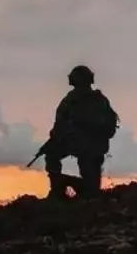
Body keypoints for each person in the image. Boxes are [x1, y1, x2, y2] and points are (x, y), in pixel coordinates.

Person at [44, 65, 120, 199]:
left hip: (84, 145)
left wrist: (56, 138)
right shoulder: (100, 99)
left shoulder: (73, 100)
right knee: (91, 188)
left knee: (90, 188)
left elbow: (59, 125)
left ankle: (59, 189)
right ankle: (66, 188)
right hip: (93, 147)